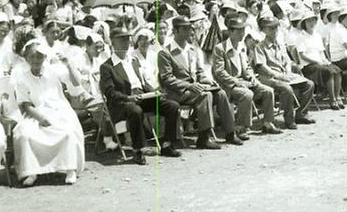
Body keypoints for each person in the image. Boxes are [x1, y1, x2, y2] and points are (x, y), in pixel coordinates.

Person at [99, 27, 181, 165]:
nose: (126, 42)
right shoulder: (107, 66)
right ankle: (138, 150)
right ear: (113, 42)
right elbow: (110, 93)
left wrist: (154, 92)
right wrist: (128, 98)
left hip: (141, 97)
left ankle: (167, 144)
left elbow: (142, 83)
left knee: (172, 106)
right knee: (135, 110)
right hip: (121, 103)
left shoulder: (133, 61)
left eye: (127, 39)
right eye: (122, 39)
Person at [158, 16, 239, 149]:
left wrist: (209, 81)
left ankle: (230, 132)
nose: (189, 32)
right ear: (175, 31)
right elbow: (167, 79)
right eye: (184, 29)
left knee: (220, 93)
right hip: (177, 92)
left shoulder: (192, 50)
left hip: (194, 90)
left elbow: (200, 72)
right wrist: (190, 85)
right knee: (205, 95)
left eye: (189, 28)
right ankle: (203, 137)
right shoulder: (165, 53)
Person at [12, 38, 85, 186]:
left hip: (59, 110)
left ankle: (70, 169)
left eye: (39, 56)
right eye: (31, 56)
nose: (35, 60)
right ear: (26, 58)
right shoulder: (21, 77)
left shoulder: (54, 71)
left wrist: (68, 64)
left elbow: (77, 83)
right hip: (35, 113)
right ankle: (32, 171)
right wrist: (40, 118)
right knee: (24, 134)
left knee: (68, 132)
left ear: (45, 57)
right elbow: (25, 104)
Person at [211, 16, 281, 136]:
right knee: (246, 94)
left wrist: (251, 78)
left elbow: (247, 67)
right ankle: (241, 126)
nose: (242, 34)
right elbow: (219, 72)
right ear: (230, 32)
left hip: (244, 81)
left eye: (243, 30)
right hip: (228, 85)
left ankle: (268, 123)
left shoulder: (242, 46)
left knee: (268, 91)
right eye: (239, 31)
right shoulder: (220, 48)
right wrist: (237, 82)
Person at [251, 16, 315, 129]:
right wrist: (279, 76)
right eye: (271, 28)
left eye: (276, 28)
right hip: (268, 78)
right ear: (264, 30)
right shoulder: (260, 47)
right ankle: (289, 119)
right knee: (287, 89)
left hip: (283, 75)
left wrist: (288, 73)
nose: (274, 31)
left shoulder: (280, 45)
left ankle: (301, 113)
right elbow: (262, 67)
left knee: (309, 84)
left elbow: (287, 61)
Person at [294, 11, 344, 110]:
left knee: (337, 69)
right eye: (309, 21)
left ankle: (338, 97)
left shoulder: (317, 35)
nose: (311, 23)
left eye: (313, 20)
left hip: (320, 63)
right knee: (328, 71)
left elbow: (321, 52)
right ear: (304, 23)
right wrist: (316, 62)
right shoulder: (301, 36)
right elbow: (302, 55)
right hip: (308, 66)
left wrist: (326, 62)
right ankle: (332, 99)